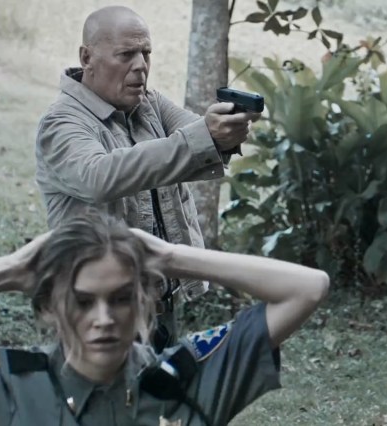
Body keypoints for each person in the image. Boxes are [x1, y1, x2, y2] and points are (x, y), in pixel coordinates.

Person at [0, 212, 328, 426]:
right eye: (82, 301)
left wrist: (171, 256)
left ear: (144, 301)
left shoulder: (188, 378)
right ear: (50, 307)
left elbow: (307, 288)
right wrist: (6, 270)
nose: (104, 318)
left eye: (121, 298)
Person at [34, 5, 260, 349]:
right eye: (126, 54)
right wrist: (205, 136)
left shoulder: (149, 104)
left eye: (146, 53)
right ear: (87, 58)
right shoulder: (62, 122)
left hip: (157, 304)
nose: (140, 65)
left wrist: (226, 132)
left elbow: (196, 136)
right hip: (96, 308)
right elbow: (100, 176)